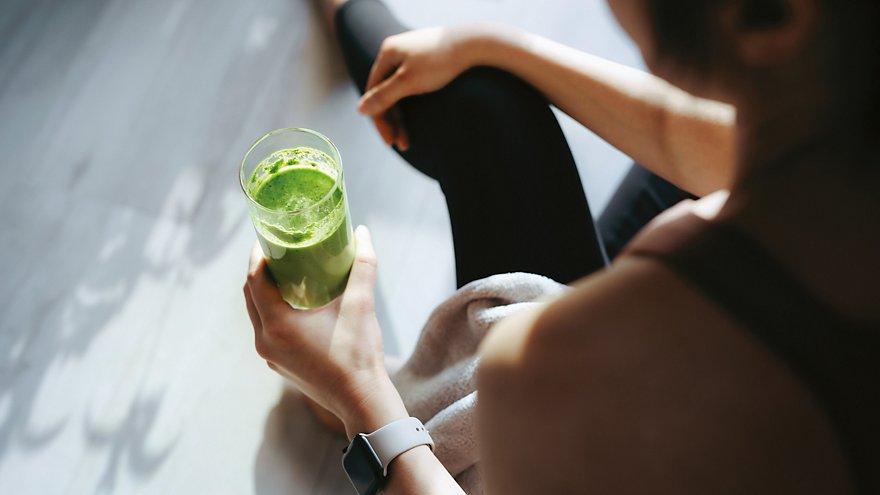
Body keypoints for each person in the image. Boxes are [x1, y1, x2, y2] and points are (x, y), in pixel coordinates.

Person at [242, 0, 880, 492]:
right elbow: (704, 140)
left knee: (483, 116)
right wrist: (496, 46)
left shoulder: (555, 366)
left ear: (771, 18)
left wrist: (361, 398)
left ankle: (368, 392)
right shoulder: (834, 135)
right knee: (481, 94)